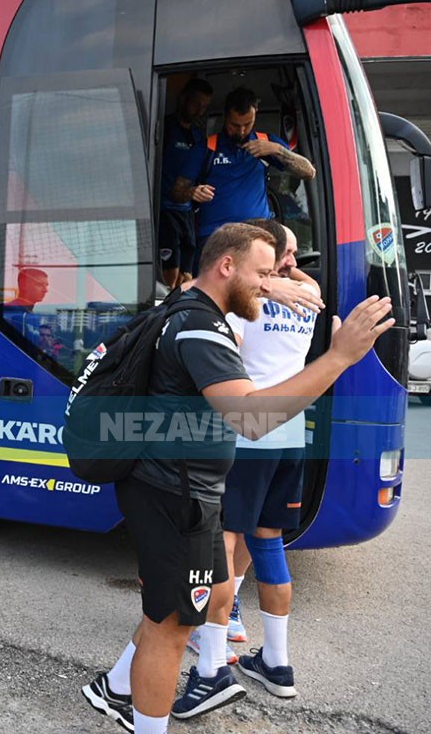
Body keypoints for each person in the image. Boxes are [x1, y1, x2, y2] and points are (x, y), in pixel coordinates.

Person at [82, 222, 392, 733]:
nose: (272, 286)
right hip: (177, 495)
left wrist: (271, 282)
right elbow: (250, 416)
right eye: (263, 276)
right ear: (228, 268)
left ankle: (115, 687)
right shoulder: (203, 328)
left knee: (172, 610)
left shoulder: (193, 309)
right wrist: (339, 357)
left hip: (178, 489)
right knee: (173, 629)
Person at [204, 220, 318, 701]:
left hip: (249, 433)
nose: (289, 262)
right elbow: (303, 281)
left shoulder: (247, 304)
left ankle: (211, 653)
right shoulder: (309, 298)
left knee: (224, 541)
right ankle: (277, 662)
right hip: (292, 433)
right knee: (268, 539)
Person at [175, 87, 316, 272]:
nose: (241, 131)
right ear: (225, 117)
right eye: (235, 125)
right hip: (214, 239)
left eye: (247, 124)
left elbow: (309, 172)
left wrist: (276, 150)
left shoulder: (266, 143)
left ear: (255, 114)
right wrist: (192, 192)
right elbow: (176, 192)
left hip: (257, 238)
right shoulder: (207, 148)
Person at [159, 78, 213, 289]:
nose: (199, 110)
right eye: (196, 103)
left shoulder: (199, 138)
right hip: (165, 209)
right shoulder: (165, 128)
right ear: (183, 99)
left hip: (187, 212)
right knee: (169, 276)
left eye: (204, 106)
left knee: (187, 276)